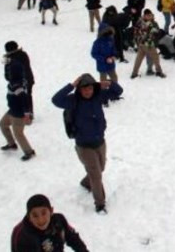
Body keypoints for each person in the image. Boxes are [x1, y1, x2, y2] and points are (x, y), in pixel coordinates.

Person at [52, 74, 124, 213]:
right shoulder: (73, 101)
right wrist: (71, 85)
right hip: (84, 145)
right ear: (79, 89)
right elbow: (56, 100)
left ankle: (86, 182)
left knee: (100, 168)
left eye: (90, 88)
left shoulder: (98, 96)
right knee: (96, 175)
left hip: (100, 142)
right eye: (84, 89)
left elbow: (118, 92)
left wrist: (109, 83)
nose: (87, 92)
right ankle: (100, 204)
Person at [11, 194, 89, 252]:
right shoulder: (23, 236)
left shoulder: (59, 221)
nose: (40, 220)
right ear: (29, 217)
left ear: (51, 211)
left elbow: (73, 238)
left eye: (44, 213)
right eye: (35, 216)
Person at [0, 47, 35, 161]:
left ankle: (29, 152)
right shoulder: (15, 81)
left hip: (18, 113)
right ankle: (11, 144)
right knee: (2, 124)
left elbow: (24, 99)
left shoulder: (17, 85)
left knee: (18, 134)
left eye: (8, 72)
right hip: (12, 110)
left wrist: (26, 113)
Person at [130, 9, 166, 78]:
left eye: (151, 15)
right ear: (145, 15)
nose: (150, 17)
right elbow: (154, 32)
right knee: (155, 58)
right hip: (148, 44)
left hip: (141, 43)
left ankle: (134, 73)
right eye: (148, 15)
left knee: (139, 59)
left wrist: (137, 41)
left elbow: (136, 32)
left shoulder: (140, 22)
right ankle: (159, 72)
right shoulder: (147, 23)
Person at [4, 41, 35, 118]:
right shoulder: (23, 54)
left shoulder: (11, 59)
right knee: (27, 96)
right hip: (29, 79)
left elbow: (9, 73)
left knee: (21, 97)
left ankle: (24, 114)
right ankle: (29, 113)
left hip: (20, 81)